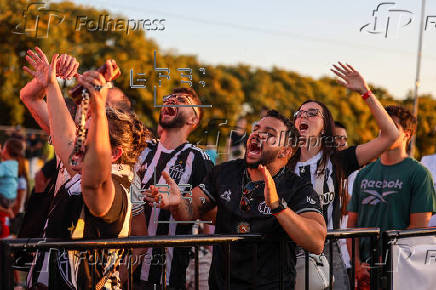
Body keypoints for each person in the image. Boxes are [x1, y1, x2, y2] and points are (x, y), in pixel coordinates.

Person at [144, 110, 327, 289]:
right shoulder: (224, 172)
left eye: (269, 134)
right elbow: (190, 211)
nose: (257, 135)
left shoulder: (298, 188)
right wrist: (178, 202)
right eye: (256, 129)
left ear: (285, 152)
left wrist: (278, 207)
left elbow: (317, 242)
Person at [22, 47, 147, 289]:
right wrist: (52, 80)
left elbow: (94, 182)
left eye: (87, 135)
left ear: (115, 153)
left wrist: (99, 111)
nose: (79, 139)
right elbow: (33, 100)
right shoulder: (78, 160)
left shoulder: (118, 183)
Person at [288, 62, 399, 289]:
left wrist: (365, 92)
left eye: (312, 113)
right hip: (286, 250)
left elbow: (390, 135)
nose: (304, 116)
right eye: (300, 113)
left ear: (325, 125)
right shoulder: (280, 161)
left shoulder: (338, 160)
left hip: (327, 251)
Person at [129, 87, 214, 289]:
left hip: (166, 277)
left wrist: (178, 203)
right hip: (125, 270)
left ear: (193, 120)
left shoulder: (198, 159)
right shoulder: (140, 148)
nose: (172, 100)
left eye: (182, 100)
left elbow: (211, 212)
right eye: (169, 98)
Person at [347, 105, 436, 288]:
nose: (385, 130)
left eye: (392, 126)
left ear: (407, 134)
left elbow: (417, 227)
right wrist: (356, 264)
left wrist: (384, 262)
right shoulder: (363, 173)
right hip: (364, 272)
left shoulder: (419, 173)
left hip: (400, 271)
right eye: (383, 125)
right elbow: (352, 224)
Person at [0, 138, 24, 238]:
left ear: (5, 150)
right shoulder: (16, 164)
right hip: (12, 199)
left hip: (3, 199)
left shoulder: (4, 165)